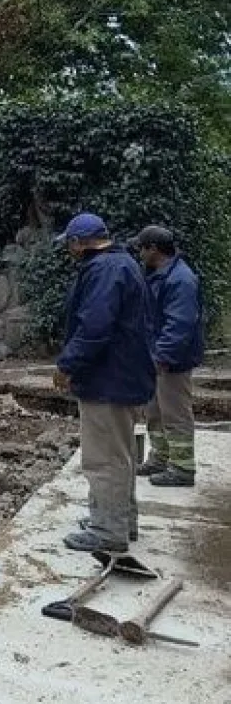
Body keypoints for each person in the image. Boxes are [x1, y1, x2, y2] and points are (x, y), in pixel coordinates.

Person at [52, 213, 155, 553]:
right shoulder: (122, 264)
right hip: (121, 375)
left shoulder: (103, 271)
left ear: (79, 243)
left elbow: (94, 327)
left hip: (107, 379)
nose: (69, 251)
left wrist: (67, 364)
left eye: (70, 244)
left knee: (104, 457)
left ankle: (108, 531)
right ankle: (121, 521)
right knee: (120, 454)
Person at [133, 225, 203, 487]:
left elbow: (180, 324)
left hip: (172, 361)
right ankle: (159, 458)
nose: (139, 252)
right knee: (155, 412)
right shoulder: (159, 275)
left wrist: (162, 358)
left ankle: (183, 468)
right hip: (156, 357)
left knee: (175, 413)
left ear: (153, 249)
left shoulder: (180, 280)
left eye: (141, 247)